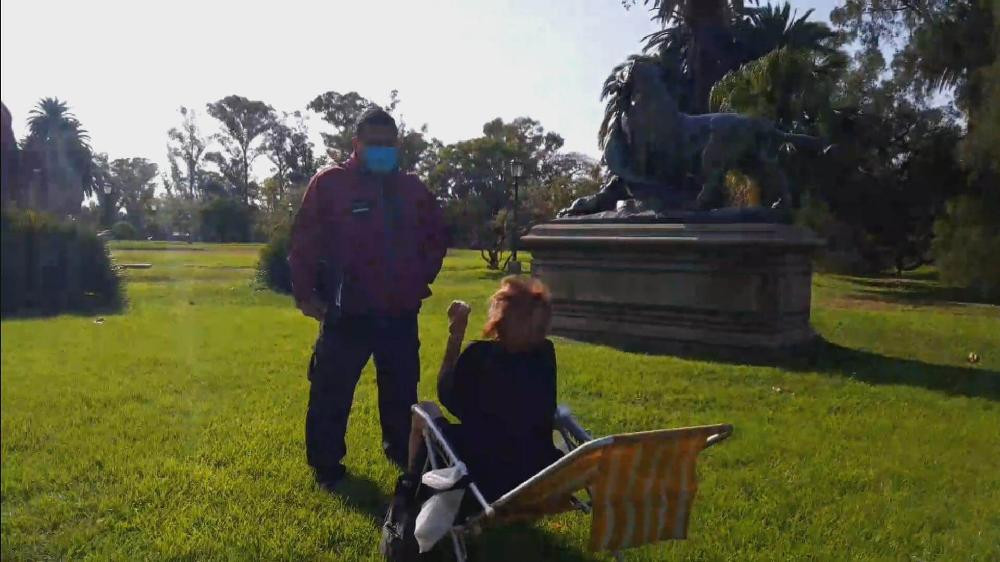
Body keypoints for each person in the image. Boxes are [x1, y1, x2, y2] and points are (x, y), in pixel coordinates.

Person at [289, 107, 448, 490]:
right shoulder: (330, 183)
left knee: (401, 389)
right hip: (348, 311)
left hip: (399, 312)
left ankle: (400, 451)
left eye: (388, 144)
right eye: (373, 143)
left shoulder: (412, 188)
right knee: (332, 390)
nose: (381, 150)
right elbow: (303, 243)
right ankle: (326, 465)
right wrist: (305, 296)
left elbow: (437, 238)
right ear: (356, 144)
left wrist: (417, 279)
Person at [406, 276, 562, 503]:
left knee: (423, 411)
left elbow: (446, 394)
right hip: (533, 473)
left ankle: (409, 490)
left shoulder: (480, 356)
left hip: (480, 475)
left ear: (501, 317)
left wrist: (456, 334)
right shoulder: (546, 354)